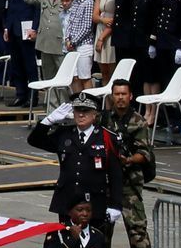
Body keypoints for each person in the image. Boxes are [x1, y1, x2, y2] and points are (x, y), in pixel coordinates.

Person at [28, 97, 123, 230]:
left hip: (95, 203)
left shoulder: (106, 137)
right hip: (68, 202)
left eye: (86, 111)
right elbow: (34, 140)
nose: (81, 115)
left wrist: (116, 206)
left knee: (97, 247)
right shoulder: (64, 134)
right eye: (78, 111)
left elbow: (116, 175)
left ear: (95, 114)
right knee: (68, 245)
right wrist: (48, 121)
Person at [100, 81, 156, 248]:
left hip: (129, 183)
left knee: (136, 228)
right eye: (117, 94)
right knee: (102, 228)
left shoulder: (138, 121)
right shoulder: (104, 119)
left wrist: (129, 159)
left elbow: (145, 154)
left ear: (130, 96)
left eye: (124, 94)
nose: (120, 98)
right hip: (106, 183)